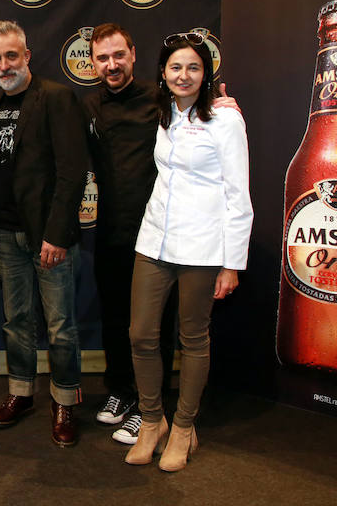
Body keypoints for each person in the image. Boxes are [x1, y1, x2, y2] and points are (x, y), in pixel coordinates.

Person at [125, 32, 252, 472]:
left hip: (202, 246)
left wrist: (232, 264)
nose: (184, 75)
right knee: (141, 335)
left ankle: (183, 427)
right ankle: (152, 421)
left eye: (193, 67)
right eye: (176, 67)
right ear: (162, 72)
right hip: (155, 238)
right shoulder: (162, 114)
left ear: (206, 73)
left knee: (192, 338)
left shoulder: (225, 119)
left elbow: (239, 196)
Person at [0, 21, 87, 446]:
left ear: (27, 55)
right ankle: (21, 392)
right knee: (16, 321)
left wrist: (57, 234)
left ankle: (66, 401)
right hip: (6, 233)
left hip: (48, 235)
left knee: (61, 326)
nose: (3, 65)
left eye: (11, 55)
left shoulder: (57, 98)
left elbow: (72, 171)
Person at [84, 23, 178, 444]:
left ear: (133, 54)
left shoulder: (163, 101)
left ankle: (150, 405)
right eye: (102, 58)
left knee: (153, 325)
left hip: (159, 231)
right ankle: (121, 391)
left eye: (118, 55)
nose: (111, 65)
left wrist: (224, 107)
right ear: (92, 63)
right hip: (111, 230)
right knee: (115, 318)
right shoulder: (88, 105)